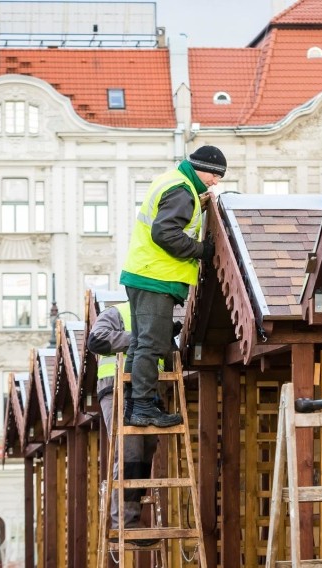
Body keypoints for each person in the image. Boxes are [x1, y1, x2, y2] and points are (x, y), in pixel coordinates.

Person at [119, 145, 225, 427]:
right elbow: (165, 233)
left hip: (143, 273)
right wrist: (202, 250)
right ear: (201, 169)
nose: (216, 181)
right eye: (215, 175)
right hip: (156, 278)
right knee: (151, 345)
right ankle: (142, 407)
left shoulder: (175, 182)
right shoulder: (182, 190)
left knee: (141, 344)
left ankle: (133, 406)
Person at [88, 301, 179, 545]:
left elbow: (168, 362)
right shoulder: (116, 313)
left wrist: (168, 340)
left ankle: (132, 518)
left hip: (148, 395)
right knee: (129, 451)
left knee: (144, 452)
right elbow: (96, 341)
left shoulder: (159, 320)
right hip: (117, 388)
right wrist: (141, 338)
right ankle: (125, 523)